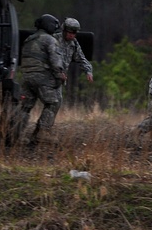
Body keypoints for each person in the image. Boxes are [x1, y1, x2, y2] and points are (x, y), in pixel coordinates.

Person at [11, 14, 67, 145]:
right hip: (42, 78)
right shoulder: (50, 40)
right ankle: (42, 132)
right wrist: (60, 75)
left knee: (25, 106)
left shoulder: (29, 39)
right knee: (54, 102)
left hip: (26, 77)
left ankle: (15, 135)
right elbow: (55, 60)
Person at [57, 17, 94, 93]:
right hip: (48, 77)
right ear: (64, 30)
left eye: (74, 33)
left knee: (55, 102)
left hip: (59, 80)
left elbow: (81, 58)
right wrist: (58, 73)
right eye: (69, 32)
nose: (71, 35)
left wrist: (88, 71)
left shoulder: (73, 43)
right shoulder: (54, 40)